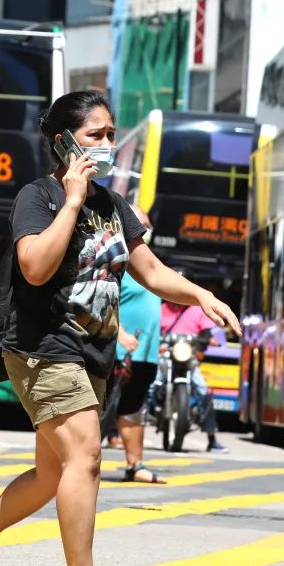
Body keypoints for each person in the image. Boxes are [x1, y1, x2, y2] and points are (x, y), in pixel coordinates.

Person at [0, 91, 240, 566]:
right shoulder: (40, 197)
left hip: (90, 354)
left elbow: (151, 271)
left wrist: (203, 296)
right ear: (64, 141)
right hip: (43, 349)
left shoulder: (115, 206)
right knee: (87, 459)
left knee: (52, 476)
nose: (107, 144)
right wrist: (72, 199)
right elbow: (34, 266)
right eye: (95, 134)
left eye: (109, 133)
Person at [110, 204, 165, 483]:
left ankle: (135, 465)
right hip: (117, 351)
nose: (144, 230)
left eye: (146, 224)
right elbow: (100, 300)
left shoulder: (148, 264)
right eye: (137, 224)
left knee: (134, 407)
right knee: (96, 412)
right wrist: (119, 333)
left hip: (145, 353)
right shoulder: (115, 261)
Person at [157, 276, 231, 454]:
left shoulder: (197, 310)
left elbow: (206, 332)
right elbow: (153, 329)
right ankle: (135, 424)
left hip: (187, 358)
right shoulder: (162, 309)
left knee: (203, 391)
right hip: (166, 357)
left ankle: (212, 439)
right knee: (151, 385)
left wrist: (206, 341)